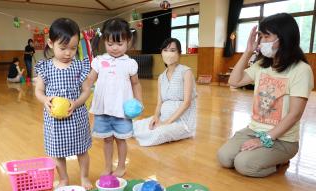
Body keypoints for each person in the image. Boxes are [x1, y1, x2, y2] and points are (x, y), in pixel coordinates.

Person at [217, 13, 314, 177]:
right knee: (224, 158)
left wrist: (264, 140)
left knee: (244, 164)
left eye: (266, 36)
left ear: (283, 38)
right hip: (253, 130)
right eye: (260, 36)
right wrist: (248, 52)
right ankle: (260, 155)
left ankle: (280, 161)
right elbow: (234, 81)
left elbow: (294, 114)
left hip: (282, 140)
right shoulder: (262, 64)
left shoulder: (301, 70)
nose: (261, 41)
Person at [34, 18, 92, 189]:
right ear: (51, 43)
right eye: (63, 48)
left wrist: (76, 103)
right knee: (57, 152)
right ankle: (64, 178)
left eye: (73, 48)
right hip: (54, 120)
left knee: (82, 149)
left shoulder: (79, 66)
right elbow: (39, 91)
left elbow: (86, 91)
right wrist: (45, 100)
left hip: (77, 116)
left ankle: (84, 177)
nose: (68, 53)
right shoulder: (45, 67)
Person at [86, 18, 143, 177]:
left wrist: (139, 101)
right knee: (107, 140)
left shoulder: (130, 63)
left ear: (128, 41)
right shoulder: (99, 61)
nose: (115, 48)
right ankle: (107, 166)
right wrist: (82, 90)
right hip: (103, 110)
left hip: (122, 110)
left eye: (120, 44)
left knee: (121, 140)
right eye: (110, 44)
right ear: (104, 41)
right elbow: (90, 79)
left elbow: (136, 84)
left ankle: (121, 166)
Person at [133, 38, 197, 146]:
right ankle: (144, 133)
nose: (168, 54)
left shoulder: (186, 72)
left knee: (159, 133)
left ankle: (146, 134)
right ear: (161, 53)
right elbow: (159, 103)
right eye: (165, 50)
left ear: (179, 53)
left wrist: (166, 123)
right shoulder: (161, 77)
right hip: (163, 118)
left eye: (172, 50)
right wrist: (156, 117)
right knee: (136, 125)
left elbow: (187, 103)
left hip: (182, 122)